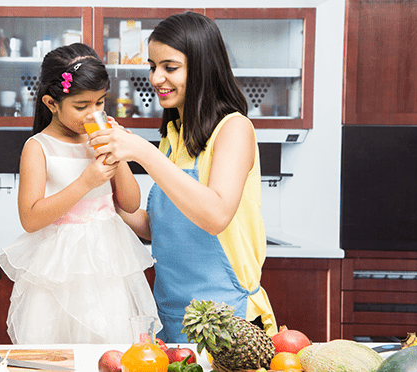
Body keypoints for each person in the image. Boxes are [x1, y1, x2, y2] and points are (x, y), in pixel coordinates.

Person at [89, 12, 278, 342]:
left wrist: (141, 152)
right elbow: (163, 227)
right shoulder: (172, 136)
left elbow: (215, 216)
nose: (155, 77)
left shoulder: (233, 129)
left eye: (169, 67)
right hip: (172, 317)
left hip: (227, 321)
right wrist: (107, 196)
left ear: (202, 68)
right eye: (152, 66)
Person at [0, 43, 159, 344]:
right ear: (51, 103)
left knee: (110, 343)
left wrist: (118, 153)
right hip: (59, 267)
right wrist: (85, 182)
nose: (93, 113)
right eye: (81, 106)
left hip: (107, 262)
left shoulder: (102, 137)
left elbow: (131, 203)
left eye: (100, 102)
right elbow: (30, 219)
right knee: (56, 349)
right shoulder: (39, 147)